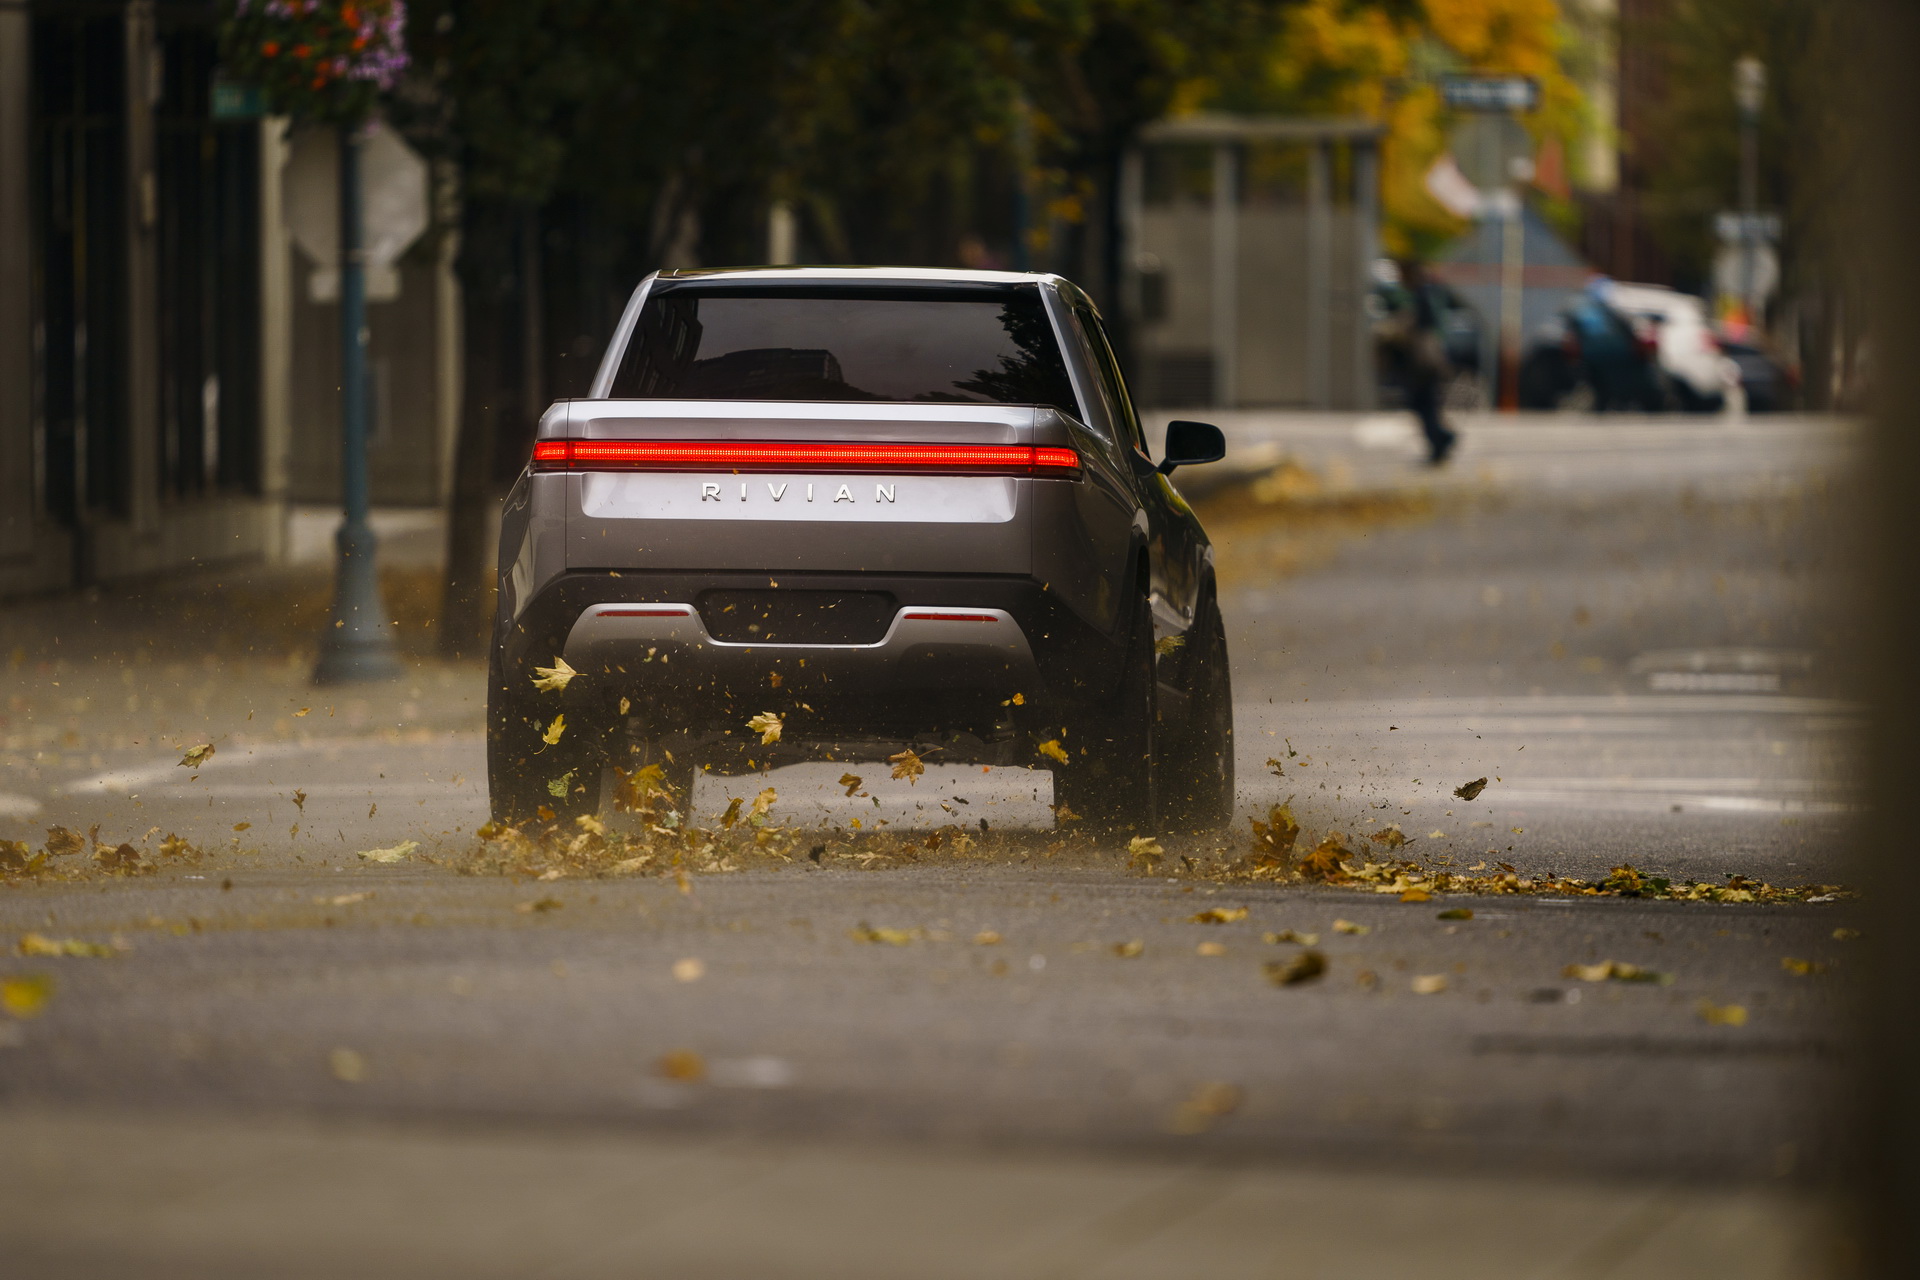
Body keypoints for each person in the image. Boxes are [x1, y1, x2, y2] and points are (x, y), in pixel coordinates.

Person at [1378, 260, 1458, 465]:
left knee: (1424, 405)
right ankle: (1440, 440)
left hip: (1421, 362)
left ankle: (1441, 439)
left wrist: (1399, 326)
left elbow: (1423, 323)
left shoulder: (1421, 294)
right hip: (1422, 361)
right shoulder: (1423, 293)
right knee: (1425, 405)